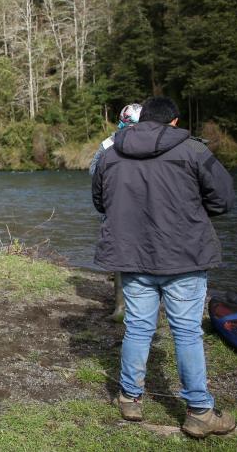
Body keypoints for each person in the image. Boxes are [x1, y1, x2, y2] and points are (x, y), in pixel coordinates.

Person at [92, 96, 236, 438]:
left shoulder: (111, 154)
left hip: (133, 255)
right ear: (174, 121)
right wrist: (192, 215)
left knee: (139, 328)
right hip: (184, 254)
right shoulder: (194, 151)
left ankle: (129, 398)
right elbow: (224, 199)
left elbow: (101, 202)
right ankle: (200, 411)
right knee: (187, 332)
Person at [89, 103, 142, 322]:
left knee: (121, 259)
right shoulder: (154, 141)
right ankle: (129, 307)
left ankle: (121, 307)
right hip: (143, 209)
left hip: (116, 208)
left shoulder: (108, 143)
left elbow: (94, 173)